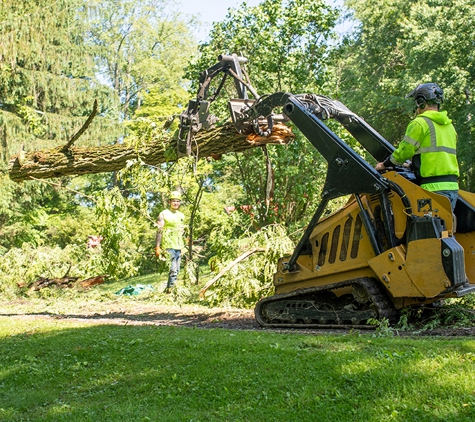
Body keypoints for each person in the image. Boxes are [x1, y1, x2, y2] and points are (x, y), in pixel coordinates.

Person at [375, 83, 459, 210]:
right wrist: (412, 165)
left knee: (425, 228)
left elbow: (404, 152)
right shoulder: (450, 127)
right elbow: (438, 156)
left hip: (432, 189)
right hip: (452, 188)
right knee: (445, 228)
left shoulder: (419, 123)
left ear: (421, 102)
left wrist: (384, 164)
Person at [155, 191, 186, 292]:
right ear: (169, 202)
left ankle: (170, 289)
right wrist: (157, 246)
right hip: (169, 244)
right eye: (174, 201)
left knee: (177, 270)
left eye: (178, 201)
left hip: (179, 245)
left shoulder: (181, 215)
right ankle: (170, 290)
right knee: (173, 269)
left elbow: (183, 231)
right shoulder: (163, 214)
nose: (176, 203)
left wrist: (186, 242)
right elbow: (159, 230)